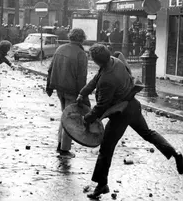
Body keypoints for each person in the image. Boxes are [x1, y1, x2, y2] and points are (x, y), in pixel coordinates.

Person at [76, 44, 183, 199]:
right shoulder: (114, 61)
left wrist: (86, 119)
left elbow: (101, 107)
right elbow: (95, 79)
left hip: (120, 114)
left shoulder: (107, 79)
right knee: (148, 134)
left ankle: (101, 185)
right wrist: (83, 93)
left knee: (106, 150)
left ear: (97, 61)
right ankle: (175, 153)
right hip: (133, 106)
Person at [46, 28, 90, 157]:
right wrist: (83, 96)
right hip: (72, 90)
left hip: (59, 88)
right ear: (82, 39)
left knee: (64, 116)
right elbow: (81, 77)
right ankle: (64, 149)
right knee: (69, 119)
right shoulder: (81, 54)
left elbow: (51, 68)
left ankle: (60, 144)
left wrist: (49, 86)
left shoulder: (60, 48)